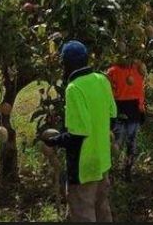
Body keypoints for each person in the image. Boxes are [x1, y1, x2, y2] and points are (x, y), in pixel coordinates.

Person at [42, 40, 117, 222]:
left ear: (66, 64)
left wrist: (54, 141)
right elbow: (112, 119)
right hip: (102, 161)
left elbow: (77, 135)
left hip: (84, 166)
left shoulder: (74, 88)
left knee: (83, 213)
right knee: (102, 209)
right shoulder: (102, 80)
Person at [106, 58, 146, 182]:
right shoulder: (138, 69)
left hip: (120, 110)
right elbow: (140, 93)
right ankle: (126, 172)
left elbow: (109, 93)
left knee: (117, 143)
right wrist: (142, 110)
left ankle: (111, 173)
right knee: (130, 143)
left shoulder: (113, 71)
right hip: (133, 111)